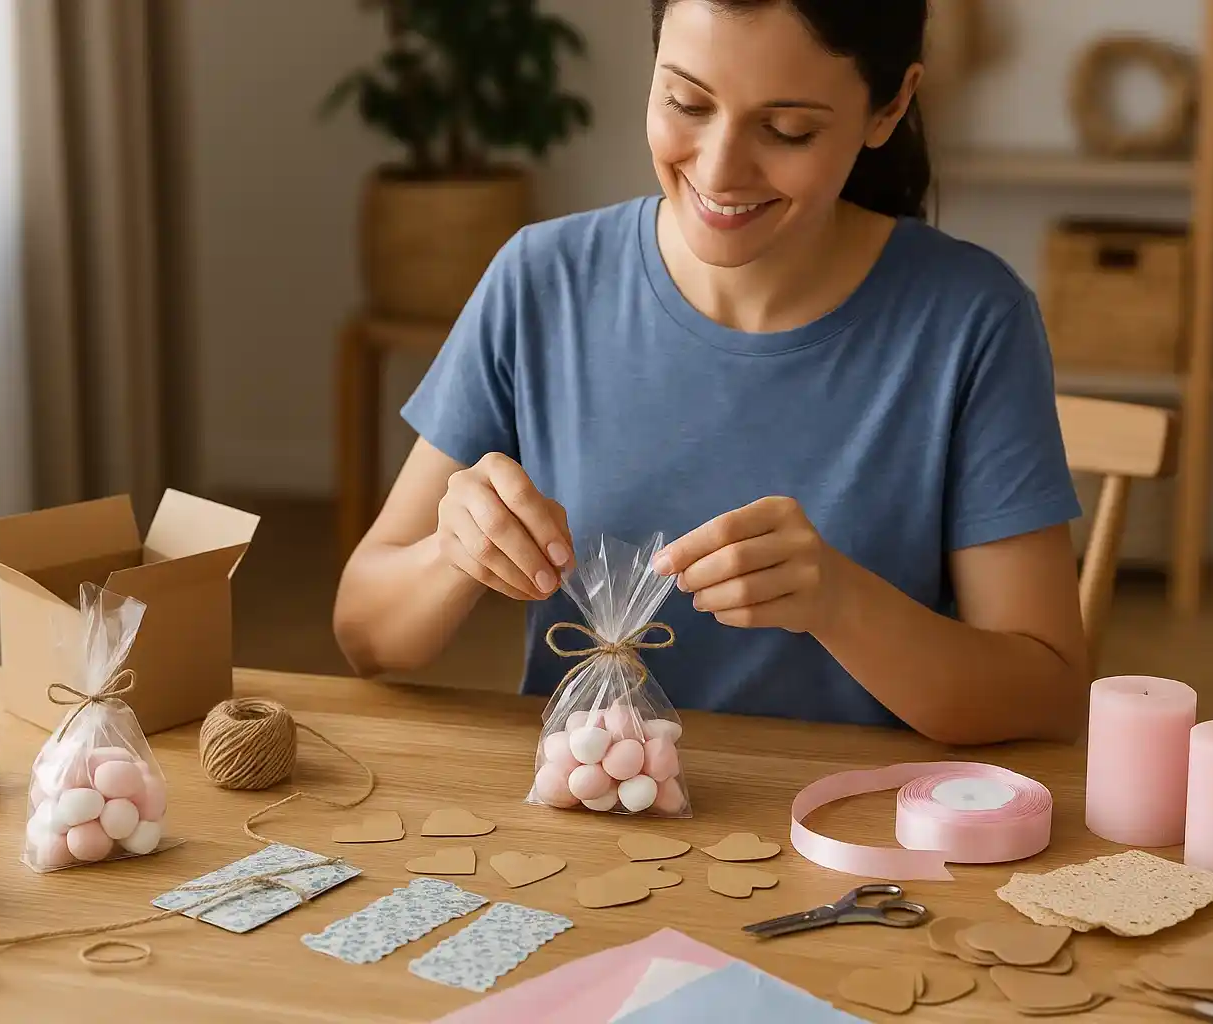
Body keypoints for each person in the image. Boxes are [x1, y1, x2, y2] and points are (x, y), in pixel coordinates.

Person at [333, 0, 1089, 746]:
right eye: (686, 102)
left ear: (888, 107)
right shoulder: (543, 281)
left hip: (854, 829)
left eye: (788, 129)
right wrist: (453, 554)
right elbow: (367, 638)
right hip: (587, 825)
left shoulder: (970, 319)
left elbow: (1047, 696)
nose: (720, 170)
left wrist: (839, 602)